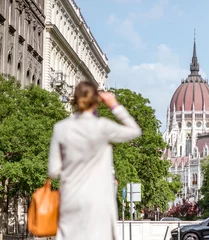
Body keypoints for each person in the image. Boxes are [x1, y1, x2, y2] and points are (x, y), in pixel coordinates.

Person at [47, 81, 142, 240]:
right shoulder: (103, 127)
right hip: (98, 201)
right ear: (97, 101)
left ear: (75, 100)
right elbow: (135, 131)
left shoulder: (61, 128)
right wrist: (114, 105)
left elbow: (53, 170)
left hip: (71, 199)